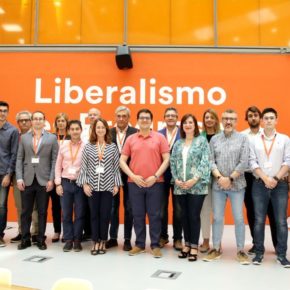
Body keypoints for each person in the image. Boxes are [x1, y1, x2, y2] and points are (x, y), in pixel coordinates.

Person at [120, 109, 170, 258]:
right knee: (138, 215)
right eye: (141, 118)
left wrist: (155, 176)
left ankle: (155, 245)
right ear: (137, 121)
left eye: (147, 118)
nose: (144, 120)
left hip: (156, 183)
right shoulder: (131, 139)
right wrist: (133, 176)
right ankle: (140, 244)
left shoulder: (160, 138)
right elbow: (122, 161)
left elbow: (167, 159)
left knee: (155, 215)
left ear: (151, 120)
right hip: (135, 183)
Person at [203, 109, 250, 265]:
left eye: (232, 119)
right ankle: (216, 248)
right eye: (226, 119)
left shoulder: (243, 139)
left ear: (236, 122)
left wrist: (230, 178)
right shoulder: (214, 139)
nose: (228, 122)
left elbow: (244, 162)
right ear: (221, 121)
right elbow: (211, 161)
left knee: (238, 218)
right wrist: (220, 178)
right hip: (218, 185)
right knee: (217, 218)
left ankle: (241, 251)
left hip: (237, 185)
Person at [249, 107, 290, 268]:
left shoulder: (285, 139)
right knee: (259, 221)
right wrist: (266, 178)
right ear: (262, 121)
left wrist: (275, 178)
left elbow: (288, 161)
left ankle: (281, 255)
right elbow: (252, 162)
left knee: (280, 221)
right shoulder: (254, 140)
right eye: (265, 118)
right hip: (259, 184)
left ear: (276, 120)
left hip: (279, 184)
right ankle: (259, 253)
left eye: (271, 118)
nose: (268, 121)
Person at [77, 118, 122, 255]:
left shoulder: (112, 146)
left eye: (103, 127)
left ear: (106, 130)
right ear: (94, 130)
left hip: (108, 187)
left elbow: (116, 168)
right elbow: (83, 167)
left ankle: (103, 240)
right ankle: (95, 241)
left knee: (105, 215)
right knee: (94, 215)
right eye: (98, 127)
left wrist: (116, 184)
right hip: (92, 187)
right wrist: (84, 184)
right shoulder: (88, 146)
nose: (100, 130)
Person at [170, 114, 211, 261]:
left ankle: (194, 246)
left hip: (197, 186)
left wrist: (194, 179)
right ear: (182, 126)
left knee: (193, 216)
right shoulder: (178, 144)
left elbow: (205, 162)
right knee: (183, 216)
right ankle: (186, 244)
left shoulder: (202, 141)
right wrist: (176, 179)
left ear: (195, 125)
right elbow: (173, 163)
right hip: (180, 186)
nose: (187, 125)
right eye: (185, 123)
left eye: (190, 122)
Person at [16, 111, 58, 250]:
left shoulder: (52, 138)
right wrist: (19, 177)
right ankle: (25, 239)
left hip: (44, 180)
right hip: (27, 179)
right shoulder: (24, 137)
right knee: (25, 211)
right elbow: (19, 158)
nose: (38, 121)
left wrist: (51, 179)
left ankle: (40, 239)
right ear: (32, 121)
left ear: (44, 121)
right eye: (35, 119)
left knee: (42, 212)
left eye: (40, 119)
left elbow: (54, 160)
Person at [242, 106, 277, 255]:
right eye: (250, 116)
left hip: (268, 176)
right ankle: (257, 244)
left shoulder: (268, 134)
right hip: (249, 177)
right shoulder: (242, 135)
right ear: (247, 118)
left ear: (261, 118)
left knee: (272, 211)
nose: (253, 118)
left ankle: (277, 245)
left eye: (256, 115)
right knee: (252, 212)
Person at [106, 106, 137, 251]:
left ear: (129, 118)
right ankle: (112, 238)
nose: (121, 119)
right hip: (111, 175)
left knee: (129, 207)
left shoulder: (135, 133)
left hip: (130, 174)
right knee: (112, 207)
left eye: (124, 116)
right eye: (119, 116)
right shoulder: (108, 132)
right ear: (115, 117)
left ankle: (127, 239)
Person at [55, 120, 86, 252]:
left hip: (80, 184)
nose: (74, 131)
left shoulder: (86, 146)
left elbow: (88, 166)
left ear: (81, 130)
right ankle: (68, 239)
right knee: (66, 213)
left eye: (77, 129)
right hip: (66, 182)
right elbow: (57, 166)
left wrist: (86, 183)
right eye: (72, 129)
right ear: (68, 131)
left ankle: (77, 239)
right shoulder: (63, 145)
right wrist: (58, 183)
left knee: (79, 214)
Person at [11, 110, 38, 244]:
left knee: (33, 206)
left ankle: (35, 233)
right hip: (17, 175)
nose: (24, 122)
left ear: (31, 121)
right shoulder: (14, 135)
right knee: (19, 205)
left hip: (32, 174)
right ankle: (22, 232)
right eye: (21, 120)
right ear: (18, 123)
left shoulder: (36, 135)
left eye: (26, 120)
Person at [158, 107, 182, 250]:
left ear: (177, 117)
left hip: (179, 176)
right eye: (168, 115)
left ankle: (178, 238)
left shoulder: (183, 133)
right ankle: (163, 236)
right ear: (164, 118)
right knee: (161, 208)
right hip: (162, 175)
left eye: (173, 115)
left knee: (178, 209)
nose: (171, 117)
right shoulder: (158, 134)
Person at [199, 108, 220, 253]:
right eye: (207, 117)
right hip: (204, 180)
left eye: (212, 117)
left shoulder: (222, 136)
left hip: (219, 178)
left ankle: (217, 242)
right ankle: (206, 240)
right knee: (205, 211)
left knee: (218, 212)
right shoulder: (199, 137)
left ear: (216, 120)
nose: (209, 120)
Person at [0, 101, 18, 247]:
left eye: (5, 111)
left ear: (8, 112)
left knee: (1, 205)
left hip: (3, 174)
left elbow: (13, 154)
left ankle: (0, 235)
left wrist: (8, 174)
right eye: (0, 110)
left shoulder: (12, 130)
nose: (2, 113)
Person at [81, 107, 101, 241]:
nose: (92, 116)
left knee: (99, 207)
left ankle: (100, 234)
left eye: (95, 114)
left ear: (100, 116)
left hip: (102, 173)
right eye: (90, 115)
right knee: (85, 204)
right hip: (86, 171)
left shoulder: (103, 130)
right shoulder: (83, 132)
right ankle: (87, 232)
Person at [51, 112, 70, 243]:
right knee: (56, 205)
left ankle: (67, 231)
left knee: (67, 206)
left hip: (68, 175)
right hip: (54, 174)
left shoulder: (71, 137)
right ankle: (57, 230)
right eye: (59, 121)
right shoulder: (51, 137)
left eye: (63, 120)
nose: (61, 123)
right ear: (56, 123)